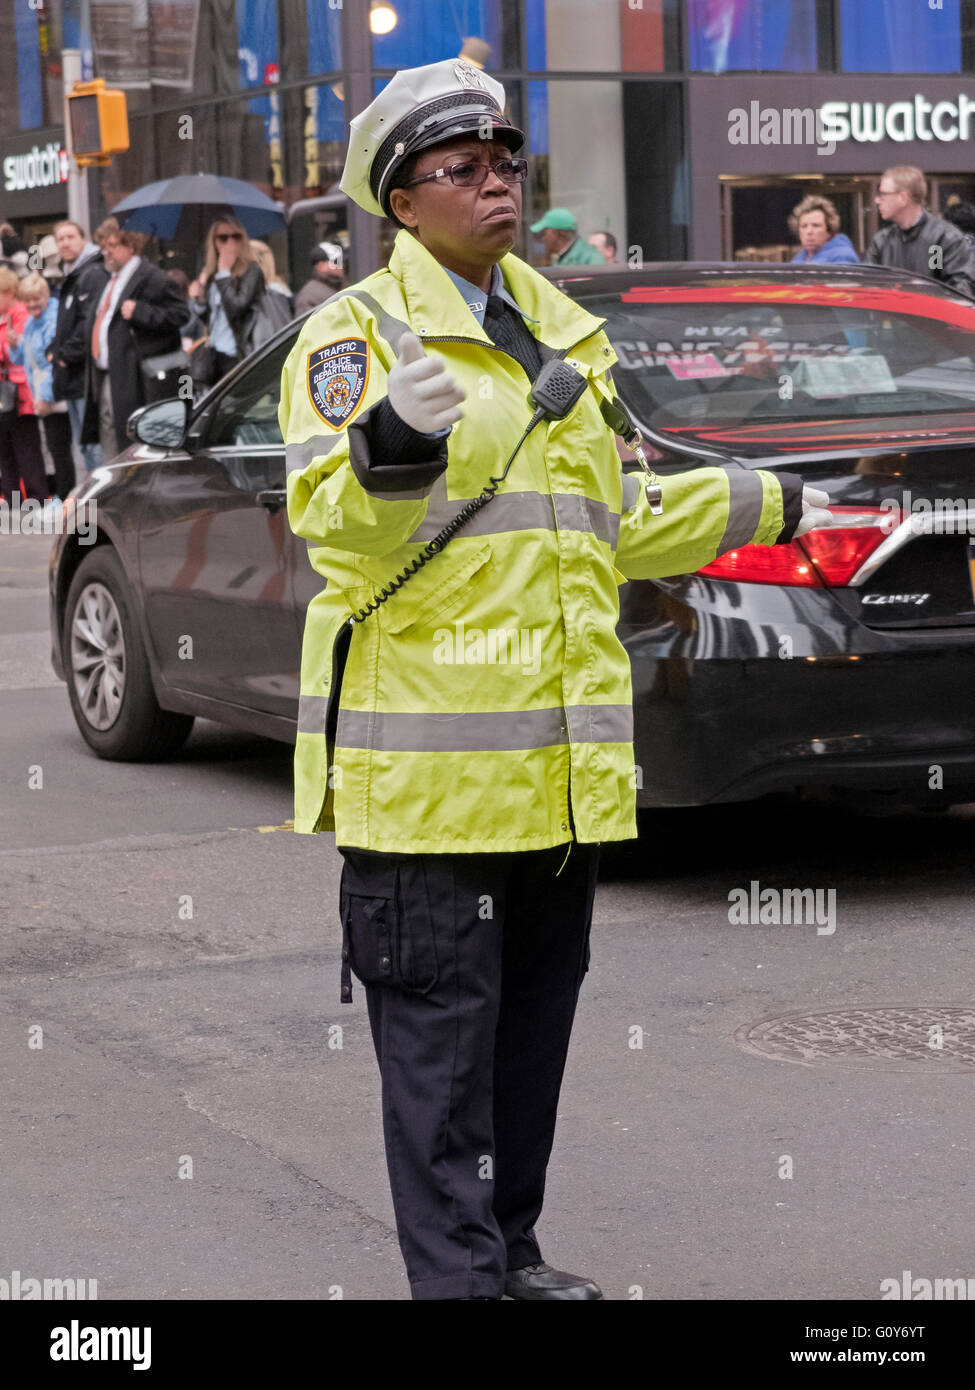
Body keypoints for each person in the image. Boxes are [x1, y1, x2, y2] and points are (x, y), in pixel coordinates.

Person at [280, 57, 825, 1303]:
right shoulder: (354, 335)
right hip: (427, 796)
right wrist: (394, 445)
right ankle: (463, 1284)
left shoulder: (560, 327)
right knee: (441, 1067)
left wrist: (777, 501)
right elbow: (333, 530)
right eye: (461, 169)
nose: (496, 183)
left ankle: (508, 1257)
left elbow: (612, 517)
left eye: (506, 161)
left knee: (527, 1055)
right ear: (401, 202)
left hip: (558, 783)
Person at [81, 225, 186, 461]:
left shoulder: (152, 277)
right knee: (108, 428)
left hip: (134, 374)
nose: (106, 252)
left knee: (130, 433)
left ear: (130, 246)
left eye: (112, 246)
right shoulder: (110, 279)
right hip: (106, 370)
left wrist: (141, 311)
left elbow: (180, 314)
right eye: (103, 247)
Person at [50, 218, 108, 474]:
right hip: (72, 375)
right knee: (84, 445)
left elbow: (90, 322)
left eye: (70, 237)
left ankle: (98, 506)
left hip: (86, 375)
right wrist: (53, 350)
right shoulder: (72, 275)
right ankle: (90, 505)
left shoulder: (92, 273)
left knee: (93, 445)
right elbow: (66, 326)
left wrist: (65, 355)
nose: (64, 243)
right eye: (60, 239)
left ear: (83, 240)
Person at [867, 165, 975, 295]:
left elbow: (960, 289)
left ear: (903, 198)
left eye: (883, 194)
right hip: (890, 315)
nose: (877, 200)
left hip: (932, 314)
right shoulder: (882, 241)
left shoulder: (943, 238)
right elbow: (868, 287)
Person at [19, 272, 75, 501]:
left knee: (60, 449)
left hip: (56, 395)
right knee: (56, 448)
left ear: (45, 295)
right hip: (43, 393)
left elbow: (50, 363)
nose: (32, 304)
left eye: (36, 298)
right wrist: (15, 345)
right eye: (28, 299)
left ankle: (65, 498)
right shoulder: (32, 322)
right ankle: (64, 496)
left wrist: (44, 397)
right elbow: (27, 358)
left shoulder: (53, 319)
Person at [188, 217, 265, 380]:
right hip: (215, 351)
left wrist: (224, 273)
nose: (230, 242)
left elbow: (238, 307)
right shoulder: (212, 274)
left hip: (238, 353)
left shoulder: (251, 270)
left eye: (236, 237)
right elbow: (209, 319)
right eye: (223, 238)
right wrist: (200, 299)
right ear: (214, 242)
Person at [0, 266, 48, 506]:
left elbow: (15, 351)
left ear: (9, 292)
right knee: (4, 448)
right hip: (3, 394)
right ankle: (12, 498)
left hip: (20, 393)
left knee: (26, 446)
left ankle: (37, 497)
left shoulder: (19, 314)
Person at [789, 195, 859, 265]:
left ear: (829, 230)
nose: (809, 231)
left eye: (816, 225)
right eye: (804, 226)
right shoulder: (799, 258)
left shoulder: (843, 256)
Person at [531, 208, 605, 266]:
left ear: (558, 233)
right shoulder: (561, 257)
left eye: (544, 233)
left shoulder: (591, 258)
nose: (542, 239)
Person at [294, 242, 344, 316]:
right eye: (336, 261)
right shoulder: (309, 295)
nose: (341, 265)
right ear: (320, 265)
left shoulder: (338, 286)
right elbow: (308, 326)